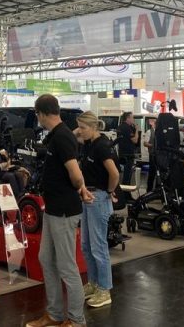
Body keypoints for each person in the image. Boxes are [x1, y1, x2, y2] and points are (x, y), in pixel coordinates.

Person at [26, 94, 93, 327]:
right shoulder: (57, 135)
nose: (37, 118)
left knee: (66, 266)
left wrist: (79, 186)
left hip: (64, 211)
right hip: (53, 209)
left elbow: (75, 173)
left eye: (37, 114)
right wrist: (81, 188)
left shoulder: (63, 137)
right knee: (46, 259)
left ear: (42, 113)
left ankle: (76, 319)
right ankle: (54, 314)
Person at [74, 111, 120, 309]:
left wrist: (108, 191)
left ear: (93, 127)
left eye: (83, 127)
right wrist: (79, 127)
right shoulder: (89, 144)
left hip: (98, 198)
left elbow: (114, 173)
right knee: (86, 245)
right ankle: (93, 283)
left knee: (99, 246)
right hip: (87, 197)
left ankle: (104, 289)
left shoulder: (101, 146)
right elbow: (73, 136)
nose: (80, 131)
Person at [116, 112, 139, 185]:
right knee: (127, 174)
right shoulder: (127, 128)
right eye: (132, 117)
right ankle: (126, 188)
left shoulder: (120, 127)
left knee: (124, 173)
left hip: (122, 152)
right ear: (128, 118)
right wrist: (137, 130)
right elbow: (135, 140)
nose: (133, 119)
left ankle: (124, 187)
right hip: (128, 154)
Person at [143, 118, 157, 191]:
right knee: (152, 173)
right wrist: (153, 145)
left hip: (159, 156)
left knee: (159, 174)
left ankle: (158, 189)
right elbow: (145, 143)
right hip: (152, 155)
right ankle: (149, 189)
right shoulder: (149, 132)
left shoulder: (160, 132)